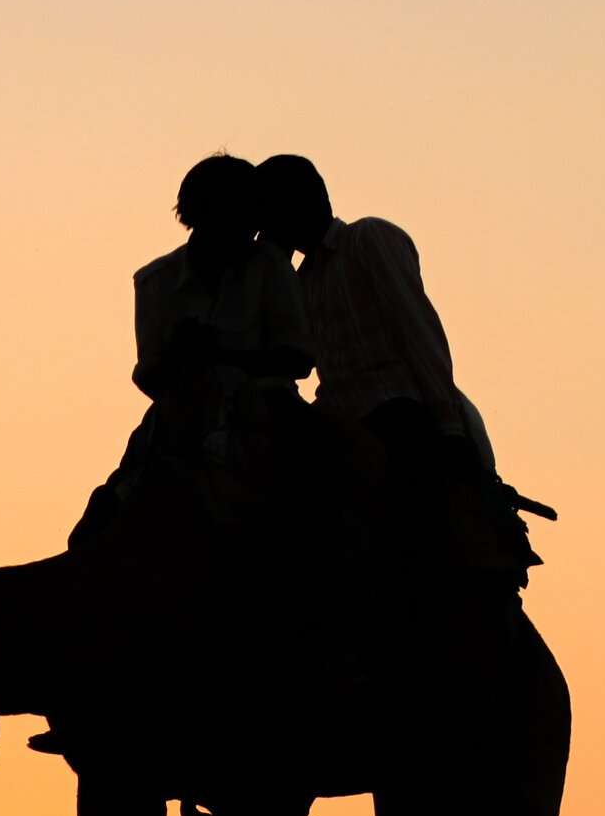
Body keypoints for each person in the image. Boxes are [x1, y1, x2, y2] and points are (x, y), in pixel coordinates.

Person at [254, 154, 541, 584]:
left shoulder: (367, 238)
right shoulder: (298, 279)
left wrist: (449, 428)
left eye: (270, 207)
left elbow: (417, 329)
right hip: (334, 414)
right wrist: (269, 259)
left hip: (394, 407)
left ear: (306, 198)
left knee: (412, 531)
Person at [77, 155, 314, 542]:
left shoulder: (269, 267)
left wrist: (221, 355)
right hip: (182, 415)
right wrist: (180, 358)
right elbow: (150, 375)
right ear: (201, 216)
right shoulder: (155, 281)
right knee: (102, 521)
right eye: (238, 215)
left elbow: (300, 358)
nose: (249, 229)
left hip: (270, 409)